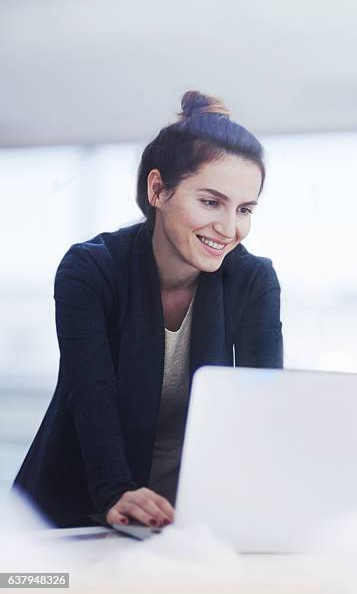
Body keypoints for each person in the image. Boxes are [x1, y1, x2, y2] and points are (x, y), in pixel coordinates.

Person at [11, 91, 283, 529]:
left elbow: (264, 404)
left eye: (245, 209)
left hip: (182, 520)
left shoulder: (252, 279)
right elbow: (91, 392)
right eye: (211, 202)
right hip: (73, 510)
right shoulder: (91, 268)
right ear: (158, 189)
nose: (229, 228)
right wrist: (115, 491)